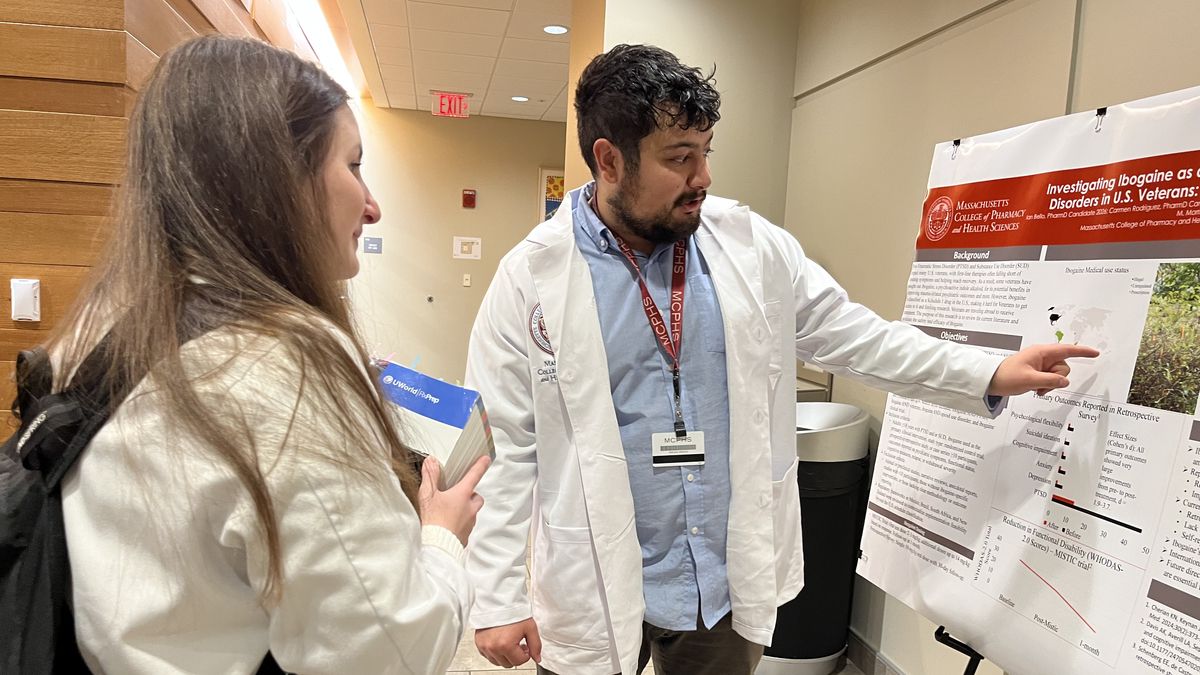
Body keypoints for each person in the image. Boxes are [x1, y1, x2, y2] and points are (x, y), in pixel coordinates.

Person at [464, 44, 1097, 675]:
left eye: (706, 151)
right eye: (679, 158)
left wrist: (987, 371)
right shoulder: (532, 279)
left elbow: (853, 334)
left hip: (718, 580)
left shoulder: (748, 247)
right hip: (595, 575)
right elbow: (506, 445)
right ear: (608, 160)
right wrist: (495, 594)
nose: (703, 177)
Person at [48, 35, 488, 673]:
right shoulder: (282, 374)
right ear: (281, 180)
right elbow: (388, 651)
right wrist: (442, 537)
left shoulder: (103, 327)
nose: (372, 205)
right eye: (354, 164)